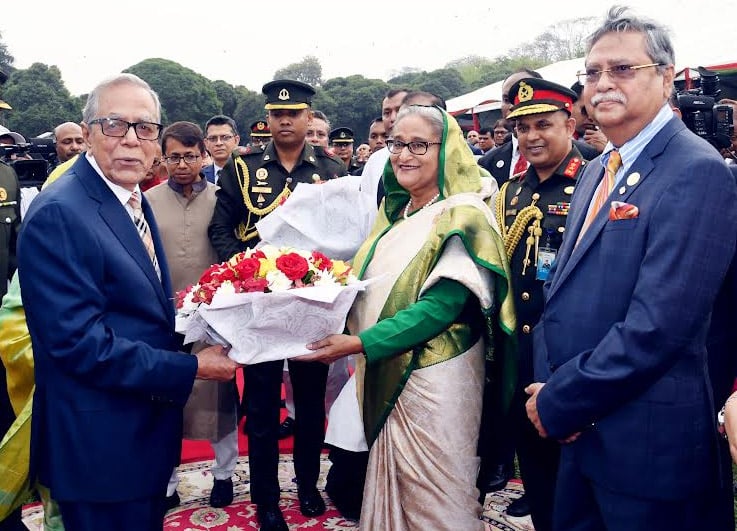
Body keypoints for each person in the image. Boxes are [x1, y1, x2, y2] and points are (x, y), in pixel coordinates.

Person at [524, 7, 737, 531]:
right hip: (582, 435)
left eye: (622, 69)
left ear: (666, 78)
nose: (601, 84)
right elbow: (565, 298)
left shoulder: (697, 171)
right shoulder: (599, 168)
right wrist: (556, 393)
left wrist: (562, 400)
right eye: (592, 73)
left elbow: (659, 326)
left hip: (647, 449)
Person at [16, 73, 239, 531]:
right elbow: (79, 345)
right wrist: (194, 368)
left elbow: (136, 310)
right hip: (100, 447)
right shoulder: (61, 211)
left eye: (145, 127)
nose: (132, 140)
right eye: (115, 124)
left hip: (138, 432)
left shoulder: (129, 197)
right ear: (89, 132)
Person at [300, 104, 515, 530]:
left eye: (419, 145)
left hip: (437, 374)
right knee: (389, 482)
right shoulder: (396, 214)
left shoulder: (463, 213)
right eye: (397, 144)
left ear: (447, 151)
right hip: (384, 366)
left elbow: (443, 306)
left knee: (435, 489)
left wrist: (360, 343)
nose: (403, 155)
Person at [208, 79, 346, 531]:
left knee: (309, 406)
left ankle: (307, 485)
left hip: (310, 308)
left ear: (309, 118)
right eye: (277, 114)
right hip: (260, 308)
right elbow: (222, 227)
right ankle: (266, 499)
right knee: (264, 407)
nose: (285, 120)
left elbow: (344, 237)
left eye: (295, 113)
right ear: (268, 118)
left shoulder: (330, 168)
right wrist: (246, 273)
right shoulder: (243, 168)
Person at [493, 77, 587, 531]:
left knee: (580, 481)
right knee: (535, 470)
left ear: (571, 123)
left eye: (543, 125)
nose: (531, 136)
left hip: (571, 354)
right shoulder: (510, 193)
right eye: (522, 127)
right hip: (521, 356)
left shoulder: (593, 182)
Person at [145, 121, 238, 509]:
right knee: (164, 401)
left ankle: (224, 475)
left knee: (218, 400)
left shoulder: (222, 198)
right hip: (163, 318)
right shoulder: (146, 201)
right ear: (163, 159)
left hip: (212, 316)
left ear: (203, 155)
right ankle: (166, 483)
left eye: (190, 155)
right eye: (174, 157)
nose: (182, 164)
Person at [478, 68, 542, 188]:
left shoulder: (581, 156)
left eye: (522, 97)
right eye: (507, 100)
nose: (513, 106)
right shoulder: (487, 163)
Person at [202, 115, 240, 184]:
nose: (219, 143)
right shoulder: (199, 177)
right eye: (213, 138)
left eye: (225, 137)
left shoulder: (249, 174)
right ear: (206, 143)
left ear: (236, 140)